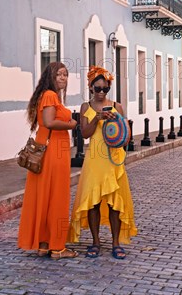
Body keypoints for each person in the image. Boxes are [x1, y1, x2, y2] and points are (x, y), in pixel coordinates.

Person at [68, 66, 137, 259]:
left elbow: (126, 135)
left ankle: (115, 243)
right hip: (94, 160)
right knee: (93, 202)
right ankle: (95, 242)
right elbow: (86, 133)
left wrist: (117, 122)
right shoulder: (85, 107)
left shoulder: (117, 106)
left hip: (113, 160)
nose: (101, 92)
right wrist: (97, 118)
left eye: (105, 89)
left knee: (115, 203)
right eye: (97, 88)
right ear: (90, 87)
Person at [18, 62, 78, 259]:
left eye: (65, 75)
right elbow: (51, 122)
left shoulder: (47, 95)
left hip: (48, 147)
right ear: (50, 77)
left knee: (45, 196)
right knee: (57, 197)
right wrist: (72, 123)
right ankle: (58, 247)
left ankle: (44, 243)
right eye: (59, 74)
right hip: (54, 151)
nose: (63, 78)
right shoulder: (51, 95)